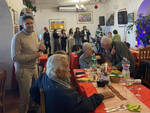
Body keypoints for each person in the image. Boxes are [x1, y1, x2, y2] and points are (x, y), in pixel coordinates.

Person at [30, 54, 104, 113]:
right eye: (66, 67)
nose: (69, 70)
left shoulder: (44, 76)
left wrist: (44, 105)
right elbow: (85, 106)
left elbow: (32, 91)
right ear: (58, 72)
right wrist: (99, 96)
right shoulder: (64, 93)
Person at [11, 15, 46, 113]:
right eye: (27, 23)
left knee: (34, 94)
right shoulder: (17, 37)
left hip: (34, 67)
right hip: (23, 70)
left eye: (31, 23)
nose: (30, 25)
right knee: (25, 97)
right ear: (22, 25)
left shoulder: (34, 34)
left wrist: (40, 46)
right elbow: (15, 57)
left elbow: (35, 47)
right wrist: (34, 55)